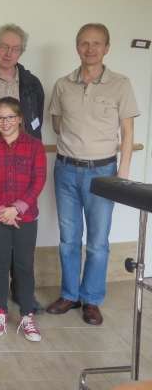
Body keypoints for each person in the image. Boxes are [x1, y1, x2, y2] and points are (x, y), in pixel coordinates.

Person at [47, 23, 139, 325]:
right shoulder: (63, 84)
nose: (90, 49)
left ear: (106, 48)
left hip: (103, 173)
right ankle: (70, 294)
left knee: (98, 242)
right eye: (84, 43)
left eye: (97, 43)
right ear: (77, 47)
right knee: (68, 239)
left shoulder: (120, 84)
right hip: (65, 170)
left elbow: (128, 132)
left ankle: (92, 299)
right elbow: (57, 123)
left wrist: (122, 174)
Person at [0, 97, 46, 341]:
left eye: (10, 117)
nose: (5, 122)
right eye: (0, 117)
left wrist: (16, 209)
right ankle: (0, 313)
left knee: (24, 266)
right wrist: (1, 211)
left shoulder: (35, 146)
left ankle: (27, 315)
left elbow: (38, 181)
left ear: (19, 119)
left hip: (25, 217)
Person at [0, 24, 45, 139]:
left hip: (24, 148)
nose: (9, 53)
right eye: (4, 47)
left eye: (15, 49)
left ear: (21, 53)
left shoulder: (33, 83)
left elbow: (36, 121)